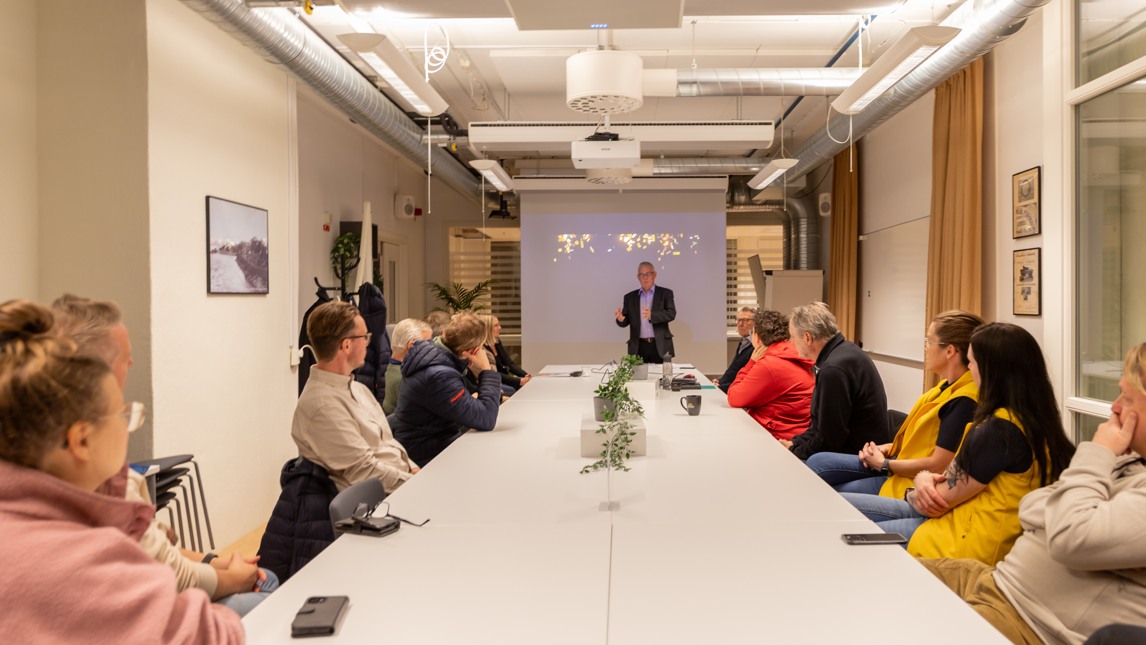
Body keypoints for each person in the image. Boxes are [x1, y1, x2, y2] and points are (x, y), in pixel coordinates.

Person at [0, 300, 243, 642]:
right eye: (123, 414)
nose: (129, 424)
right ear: (81, 439)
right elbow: (213, 635)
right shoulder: (84, 563)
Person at [52, 294, 274, 616]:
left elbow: (154, 545)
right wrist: (233, 577)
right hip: (140, 607)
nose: (131, 364)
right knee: (263, 590)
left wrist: (215, 561)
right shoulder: (101, 472)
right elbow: (167, 573)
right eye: (126, 357)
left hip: (144, 591)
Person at [919, 343, 1146, 643]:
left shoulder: (1107, 459)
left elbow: (1068, 535)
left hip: (1028, 622)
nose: (1115, 407)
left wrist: (1098, 453)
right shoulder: (1131, 463)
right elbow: (1031, 507)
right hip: (996, 581)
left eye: (1127, 398)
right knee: (881, 575)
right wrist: (1070, 509)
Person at [842, 322, 1076, 565]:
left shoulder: (996, 431)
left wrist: (922, 478)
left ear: (989, 371)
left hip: (958, 542)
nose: (970, 370)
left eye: (972, 363)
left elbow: (934, 502)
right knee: (845, 509)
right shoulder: (1035, 421)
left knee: (848, 530)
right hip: (962, 521)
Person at [806, 310, 983, 495]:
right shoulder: (945, 386)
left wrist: (884, 465)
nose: (926, 348)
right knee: (818, 462)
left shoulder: (963, 400)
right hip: (897, 463)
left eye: (929, 342)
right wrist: (886, 448)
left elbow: (938, 464)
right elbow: (920, 444)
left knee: (834, 492)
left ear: (950, 351)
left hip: (909, 480)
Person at [292, 301, 419, 494]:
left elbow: (386, 442)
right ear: (347, 345)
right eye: (365, 337)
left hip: (399, 486)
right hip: (378, 504)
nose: (368, 343)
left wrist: (412, 468)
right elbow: (364, 471)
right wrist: (418, 484)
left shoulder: (358, 389)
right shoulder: (322, 406)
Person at [782, 302, 888, 460]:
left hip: (861, 457)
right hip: (862, 448)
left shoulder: (833, 369)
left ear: (807, 337)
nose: (791, 343)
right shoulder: (845, 352)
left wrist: (794, 451)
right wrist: (795, 443)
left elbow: (829, 439)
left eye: (792, 337)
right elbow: (821, 428)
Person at [392, 313, 501, 465]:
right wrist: (486, 369)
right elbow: (486, 419)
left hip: (435, 446)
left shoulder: (434, 357)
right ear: (473, 351)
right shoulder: (440, 376)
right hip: (430, 458)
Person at [725, 308, 814, 441]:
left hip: (775, 437)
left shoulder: (770, 364)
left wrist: (751, 362)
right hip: (794, 432)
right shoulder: (793, 353)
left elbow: (734, 397)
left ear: (757, 336)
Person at [614, 261, 675, 364]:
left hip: (659, 345)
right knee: (638, 379)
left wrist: (652, 315)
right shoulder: (630, 297)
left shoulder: (665, 293)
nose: (645, 278)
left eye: (648, 274)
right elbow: (626, 320)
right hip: (638, 346)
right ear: (638, 277)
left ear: (654, 275)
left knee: (661, 378)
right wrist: (621, 319)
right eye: (641, 275)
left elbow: (671, 313)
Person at [383, 318, 432, 415]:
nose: (432, 348)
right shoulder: (405, 379)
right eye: (428, 343)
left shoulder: (389, 371)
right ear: (412, 345)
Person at [484, 314, 531, 391]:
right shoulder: (482, 348)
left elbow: (509, 364)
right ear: (487, 329)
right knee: (515, 389)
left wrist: (525, 375)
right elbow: (493, 373)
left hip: (504, 379)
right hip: (494, 383)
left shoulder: (497, 343)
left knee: (528, 384)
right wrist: (519, 381)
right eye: (496, 326)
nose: (500, 328)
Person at [718, 307, 756, 393]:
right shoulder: (744, 342)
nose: (740, 324)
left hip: (736, 392)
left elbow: (746, 379)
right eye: (738, 320)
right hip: (727, 388)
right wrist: (720, 381)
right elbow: (734, 370)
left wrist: (720, 387)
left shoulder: (756, 347)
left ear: (756, 323)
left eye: (745, 320)